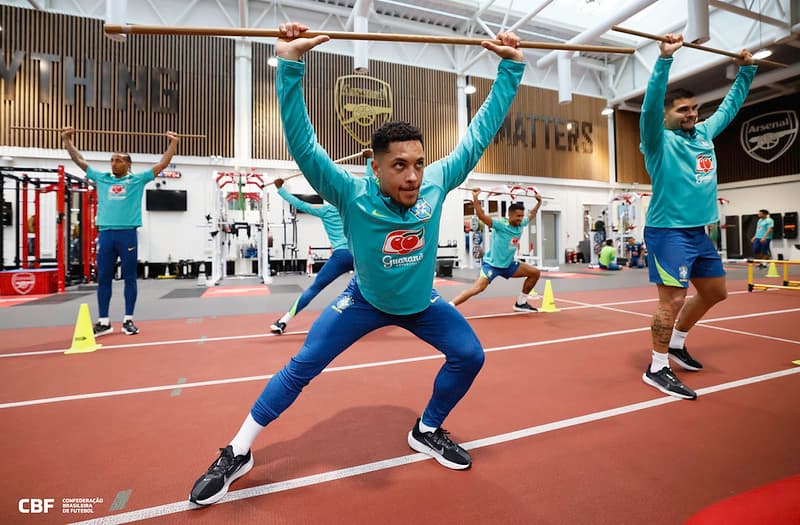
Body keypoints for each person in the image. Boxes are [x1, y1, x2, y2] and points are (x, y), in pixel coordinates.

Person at [188, 22, 525, 506]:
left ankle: (426, 428)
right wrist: (290, 64)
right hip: (364, 300)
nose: (412, 176)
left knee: (470, 355)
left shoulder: (436, 183)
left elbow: (479, 134)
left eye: (418, 163)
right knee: (301, 366)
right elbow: (303, 146)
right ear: (375, 165)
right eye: (399, 166)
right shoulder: (349, 194)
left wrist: (510, 69)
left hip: (421, 303)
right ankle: (239, 450)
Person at [639, 34, 756, 400]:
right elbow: (649, 107)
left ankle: (676, 343)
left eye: (693, 108)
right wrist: (665, 60)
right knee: (671, 301)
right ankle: (657, 367)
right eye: (682, 110)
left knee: (715, 292)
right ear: (666, 116)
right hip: (667, 231)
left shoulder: (703, 133)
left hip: (697, 232)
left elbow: (730, 107)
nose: (691, 114)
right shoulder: (657, 141)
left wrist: (747, 71)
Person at [62, 127, 179, 336]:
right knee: (104, 277)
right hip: (106, 234)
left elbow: (162, 164)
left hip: (127, 235)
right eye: (112, 160)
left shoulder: (137, 179)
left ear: (128, 164)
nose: (114, 163)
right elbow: (79, 160)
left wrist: (173, 144)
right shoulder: (102, 177)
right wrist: (67, 140)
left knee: (130, 277)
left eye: (118, 160)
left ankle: (128, 320)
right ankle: (104, 321)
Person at [269, 177, 354, 334]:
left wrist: (280, 189)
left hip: (341, 256)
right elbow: (371, 186)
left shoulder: (325, 210)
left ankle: (283, 321)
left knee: (315, 288)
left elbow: (299, 204)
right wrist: (370, 161)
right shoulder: (353, 207)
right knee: (372, 287)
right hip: (359, 256)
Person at [450, 188, 542, 311]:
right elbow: (481, 216)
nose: (520, 218)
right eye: (517, 216)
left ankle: (520, 303)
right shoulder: (500, 225)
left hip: (508, 265)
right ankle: (450, 306)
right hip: (492, 265)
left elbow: (531, 215)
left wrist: (538, 203)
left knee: (535, 273)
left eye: (521, 216)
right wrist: (475, 197)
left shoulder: (522, 224)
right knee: (477, 289)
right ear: (510, 215)